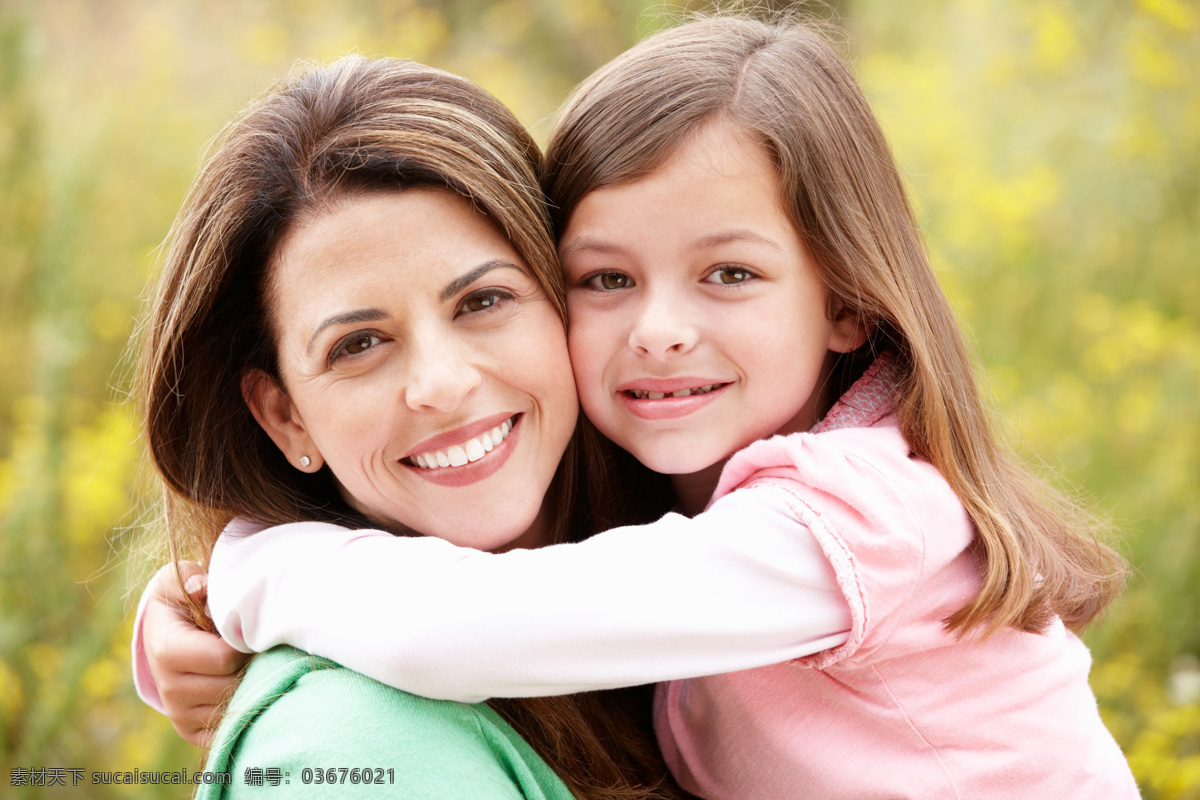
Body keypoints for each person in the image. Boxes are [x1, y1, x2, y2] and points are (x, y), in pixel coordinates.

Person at [139, 15, 1139, 799]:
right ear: (282, 414)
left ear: (844, 299)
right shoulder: (677, 488)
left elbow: (467, 627)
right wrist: (181, 620)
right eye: (606, 279)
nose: (659, 329)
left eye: (731, 273)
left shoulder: (857, 514)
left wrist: (252, 567)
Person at [132, 53, 687, 800]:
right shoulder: (352, 751)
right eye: (357, 344)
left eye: (483, 301)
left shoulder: (704, 512)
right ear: (285, 416)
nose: (443, 385)